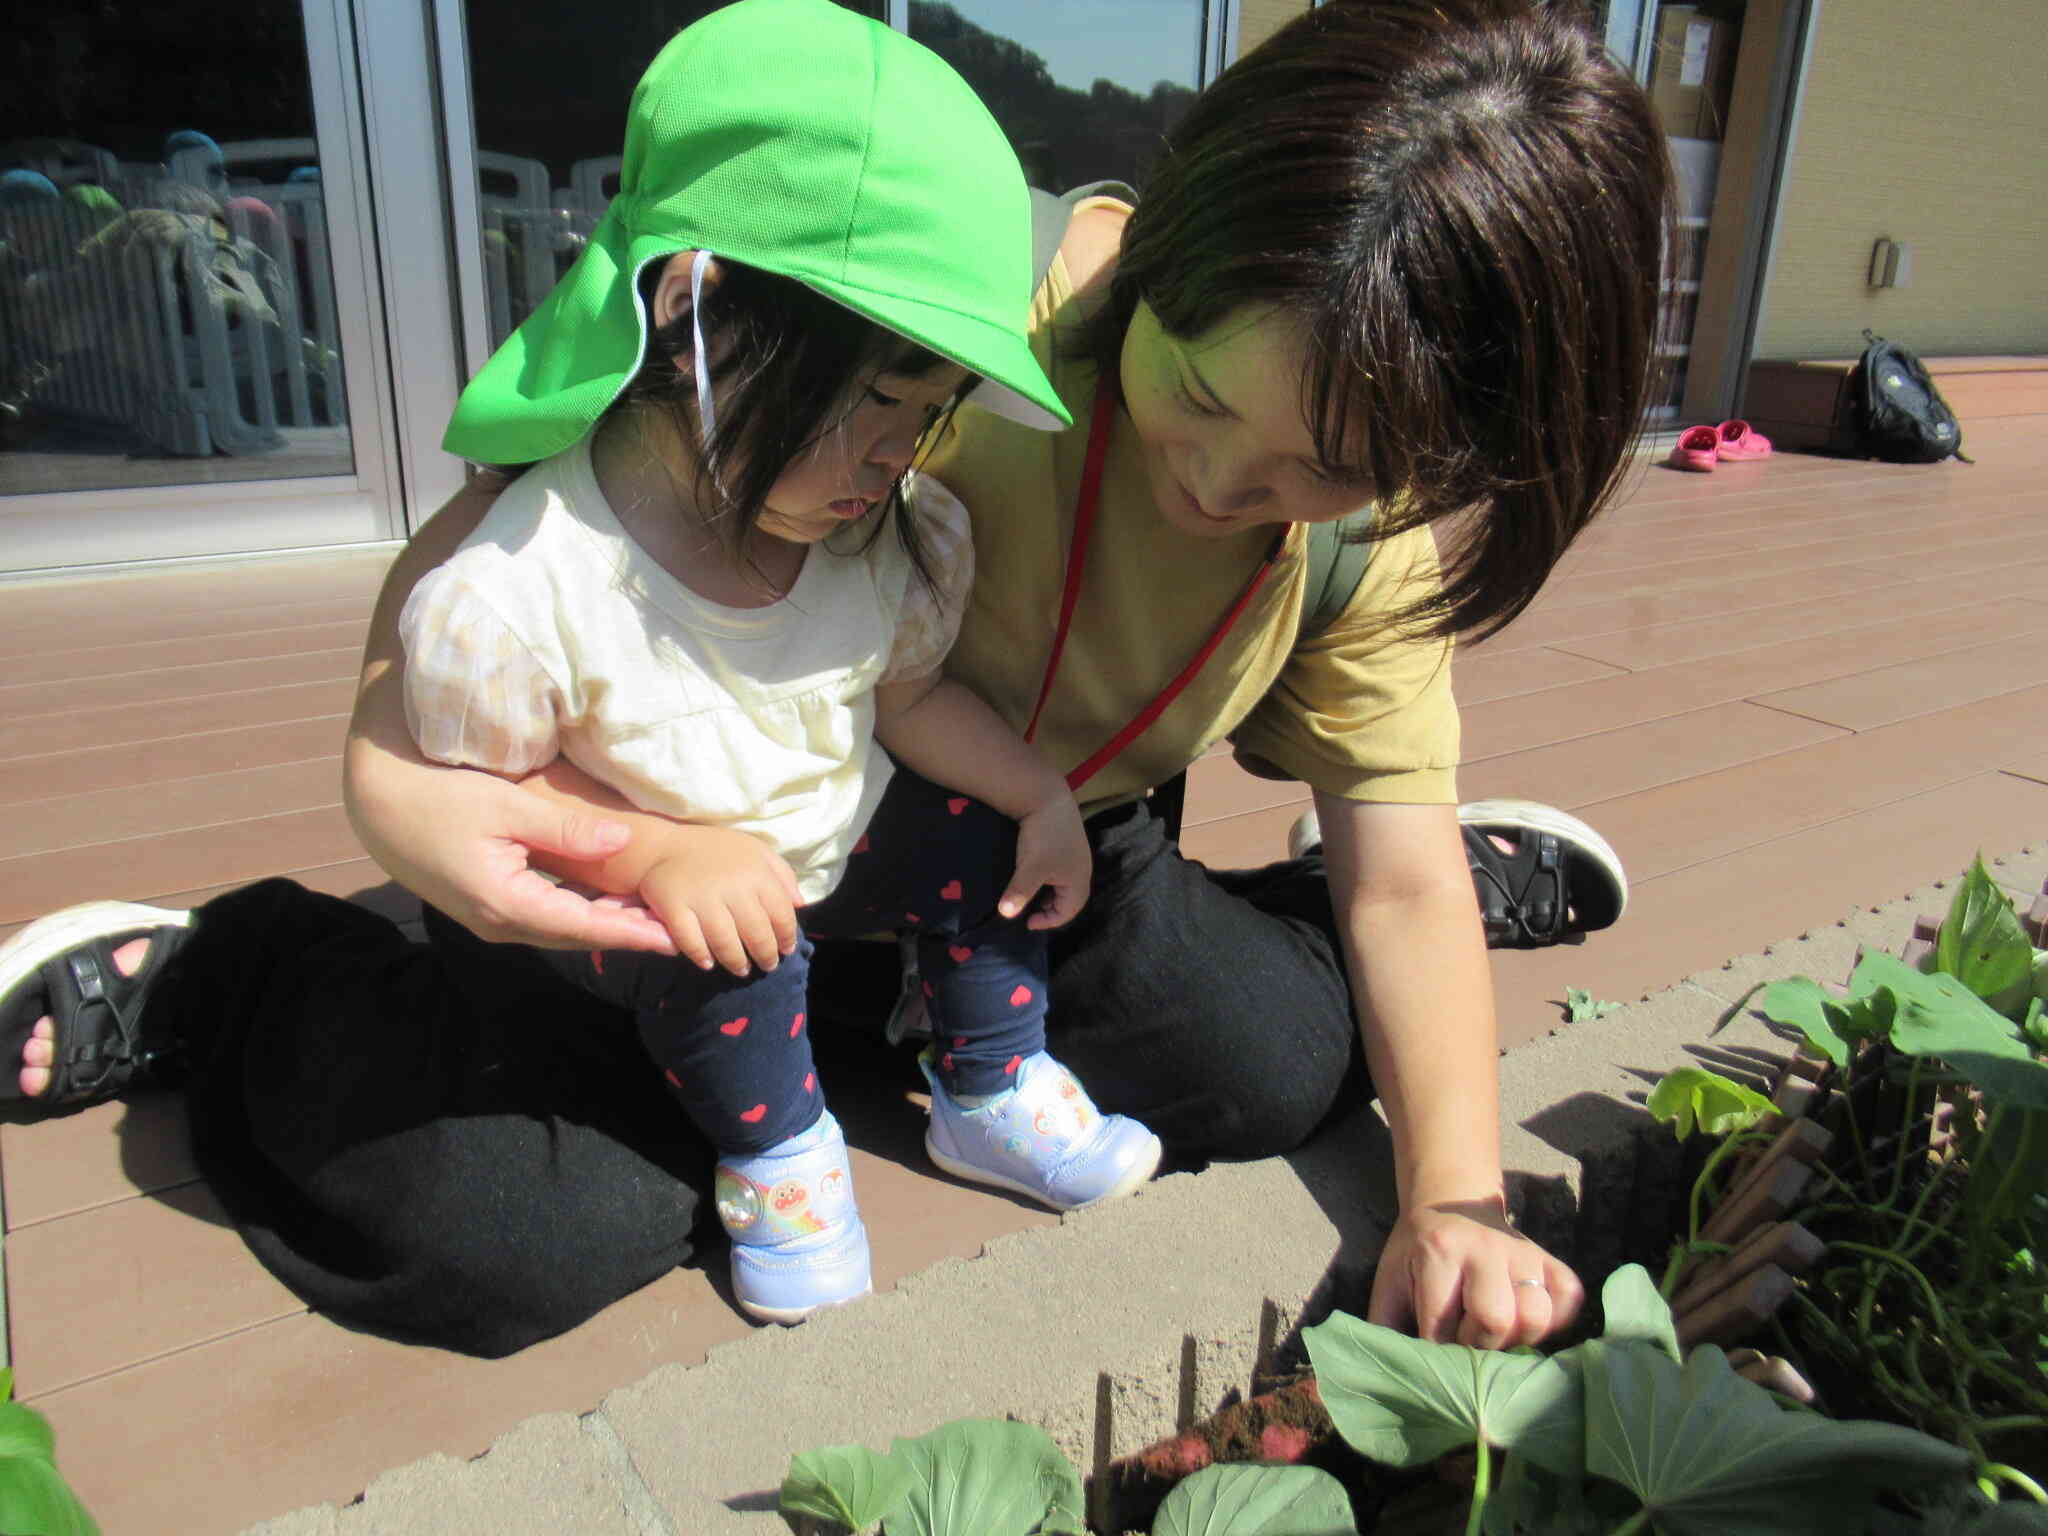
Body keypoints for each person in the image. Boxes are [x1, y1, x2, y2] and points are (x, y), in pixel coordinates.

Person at [0, 0, 1667, 1359]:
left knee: (1276, 1072)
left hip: (1017, 835)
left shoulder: (1376, 547)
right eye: (1197, 395)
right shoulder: (921, 293)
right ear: (1161, 248)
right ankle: (237, 972)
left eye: (1315, 473)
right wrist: (412, 803)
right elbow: (475, 593)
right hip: (671, 830)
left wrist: (1458, 1197)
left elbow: (1395, 879)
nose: (1220, 487)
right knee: (507, 1243)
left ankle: (1307, 922)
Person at [391, 4, 1161, 1323]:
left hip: (818, 838)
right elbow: (491, 824)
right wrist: (651, 856)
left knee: (966, 826)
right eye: (873, 398)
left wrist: (1035, 795)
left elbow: (908, 697)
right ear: (696, 315)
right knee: (727, 950)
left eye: (930, 416)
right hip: (637, 915)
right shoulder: (533, 589)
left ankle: (987, 1081)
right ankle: (782, 1153)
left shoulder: (882, 541)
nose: (895, 456)